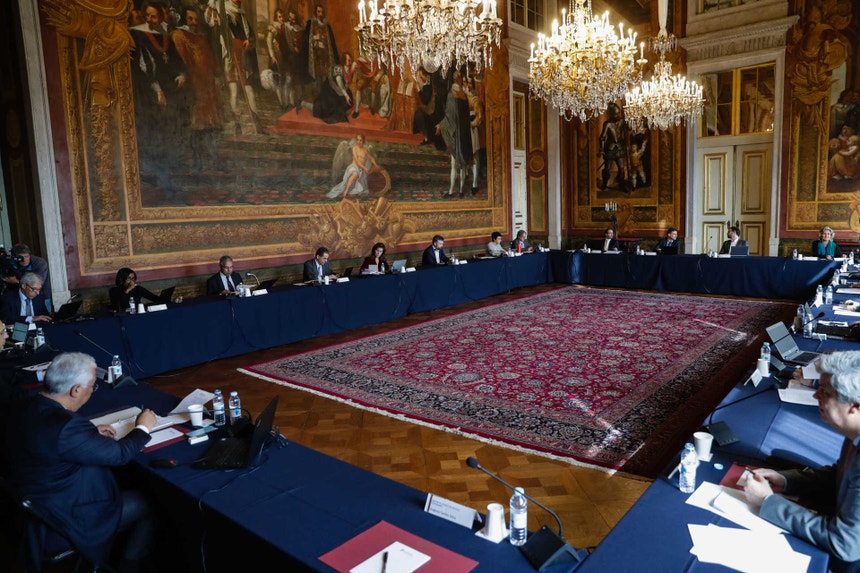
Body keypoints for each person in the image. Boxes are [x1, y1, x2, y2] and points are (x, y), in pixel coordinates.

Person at [1, 352, 156, 570]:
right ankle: (128, 565)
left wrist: (89, 434)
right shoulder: (66, 427)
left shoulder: (26, 405)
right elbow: (119, 454)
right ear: (75, 390)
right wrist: (143, 427)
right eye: (92, 386)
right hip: (66, 519)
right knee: (149, 501)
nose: (92, 391)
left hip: (36, 502)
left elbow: (51, 438)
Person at [743, 351, 860, 572]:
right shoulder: (854, 430)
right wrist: (786, 481)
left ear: (855, 406)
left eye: (825, 392)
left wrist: (767, 501)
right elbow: (840, 476)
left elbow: (845, 543)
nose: (816, 395)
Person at [172, 6, 223, 172]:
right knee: (195, 127)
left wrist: (217, 76)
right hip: (192, 88)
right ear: (184, 19)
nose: (194, 22)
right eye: (190, 19)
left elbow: (212, 61)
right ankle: (197, 162)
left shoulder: (202, 38)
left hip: (207, 87)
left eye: (195, 19)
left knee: (211, 127)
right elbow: (181, 61)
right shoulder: (178, 36)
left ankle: (214, 159)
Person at [205, 0, 264, 135]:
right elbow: (217, 32)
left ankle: (256, 122)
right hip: (230, 57)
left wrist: (248, 41)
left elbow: (249, 35)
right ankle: (237, 124)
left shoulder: (241, 15)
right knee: (234, 92)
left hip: (242, 56)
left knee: (249, 90)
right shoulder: (222, 12)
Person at [436, 70, 473, 198]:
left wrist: (441, 124)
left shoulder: (452, 95)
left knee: (454, 164)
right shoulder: (464, 96)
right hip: (464, 135)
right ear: (460, 80)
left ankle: (451, 191)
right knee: (462, 165)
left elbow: (449, 116)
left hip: (456, 134)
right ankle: (461, 191)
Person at [326, 133, 381, 198]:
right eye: (357, 140)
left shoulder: (365, 150)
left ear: (363, 141)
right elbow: (357, 160)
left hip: (361, 169)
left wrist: (376, 165)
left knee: (361, 188)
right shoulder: (354, 148)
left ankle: (352, 190)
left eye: (360, 140)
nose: (358, 142)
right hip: (354, 167)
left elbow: (371, 158)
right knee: (355, 174)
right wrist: (364, 167)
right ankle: (346, 191)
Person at [3, 244, 52, 310]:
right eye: (20, 258)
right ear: (15, 257)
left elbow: (37, 283)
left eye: (27, 256)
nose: (24, 260)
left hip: (40, 295)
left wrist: (16, 281)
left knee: (43, 315)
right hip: (18, 296)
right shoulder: (11, 263)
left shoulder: (39, 263)